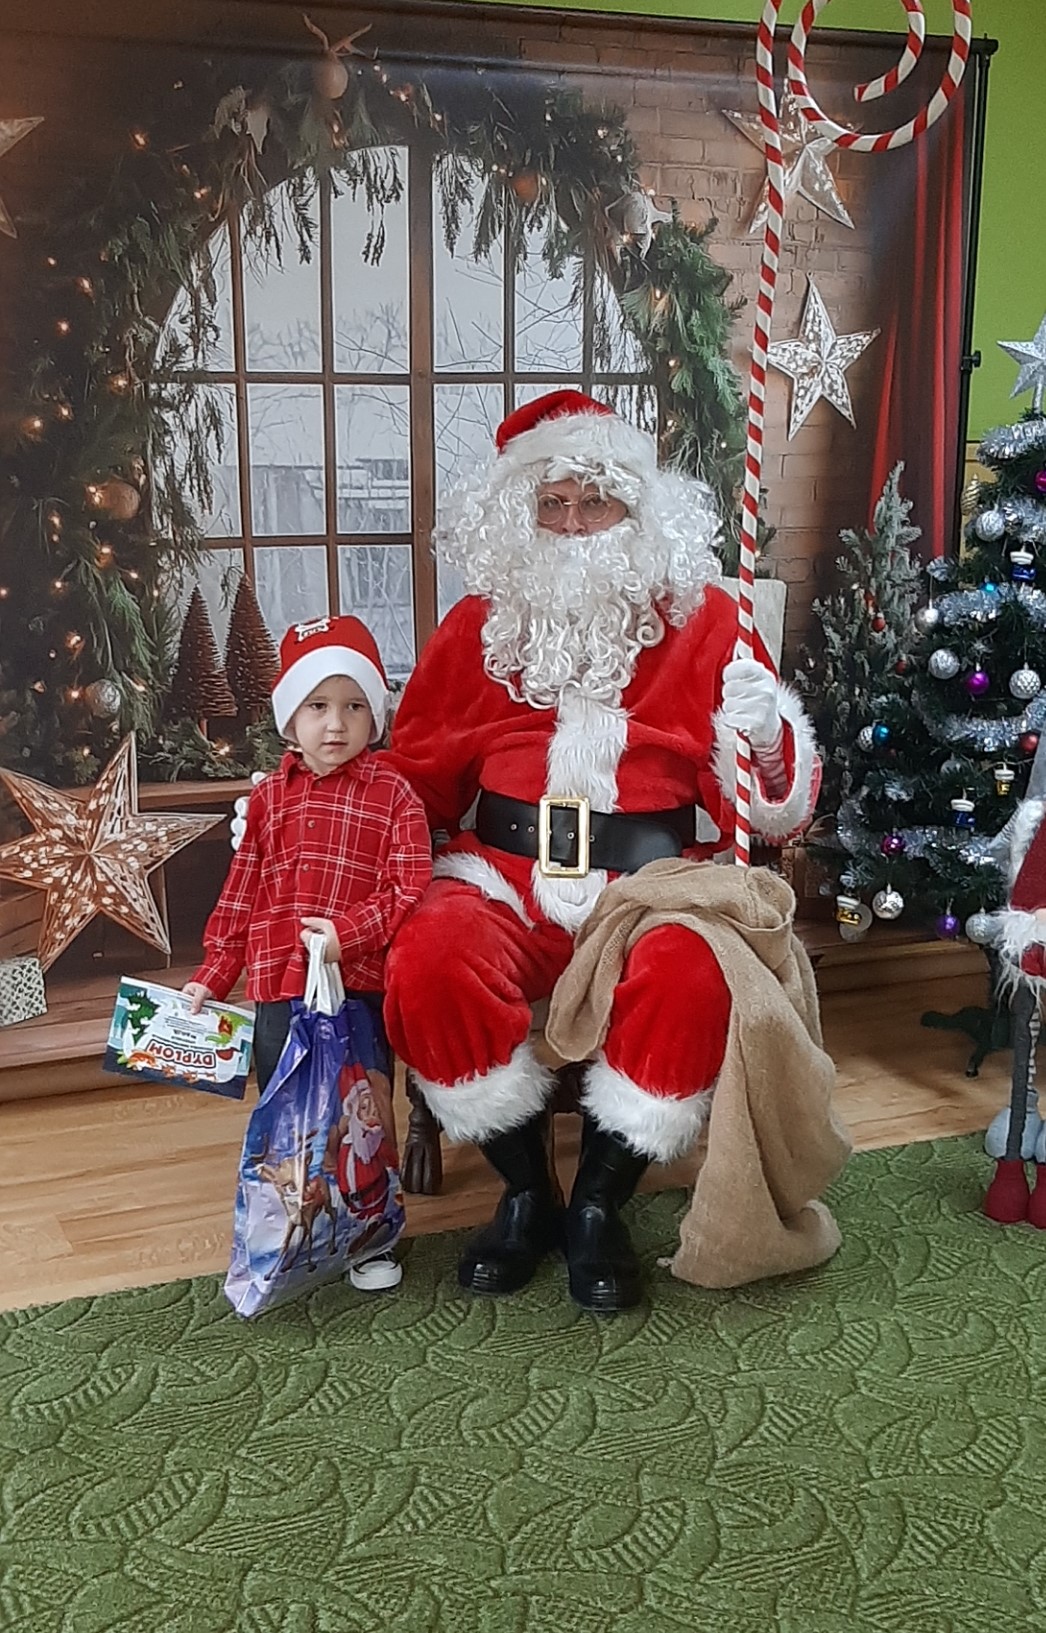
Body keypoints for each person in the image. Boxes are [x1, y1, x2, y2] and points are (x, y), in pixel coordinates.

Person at [382, 390, 821, 1311]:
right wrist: (319, 818)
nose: (575, 523)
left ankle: (598, 1203)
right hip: (500, 876)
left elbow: (770, 815)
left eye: (597, 500)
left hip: (652, 884)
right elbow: (412, 781)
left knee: (689, 972)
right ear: (522, 513)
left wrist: (767, 739)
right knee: (429, 959)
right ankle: (526, 1190)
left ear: (638, 509)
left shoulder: (710, 622)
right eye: (554, 503)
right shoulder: (476, 628)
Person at [185, 613, 432, 1207]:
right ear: (291, 718)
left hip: (357, 986)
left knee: (363, 1110)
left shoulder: (394, 796)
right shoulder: (268, 799)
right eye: (318, 706)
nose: (336, 723)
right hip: (279, 987)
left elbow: (408, 884)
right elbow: (241, 894)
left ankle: (366, 1223)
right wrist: (213, 974)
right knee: (287, 1110)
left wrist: (349, 934)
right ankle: (297, 1219)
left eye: (354, 707)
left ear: (374, 716)